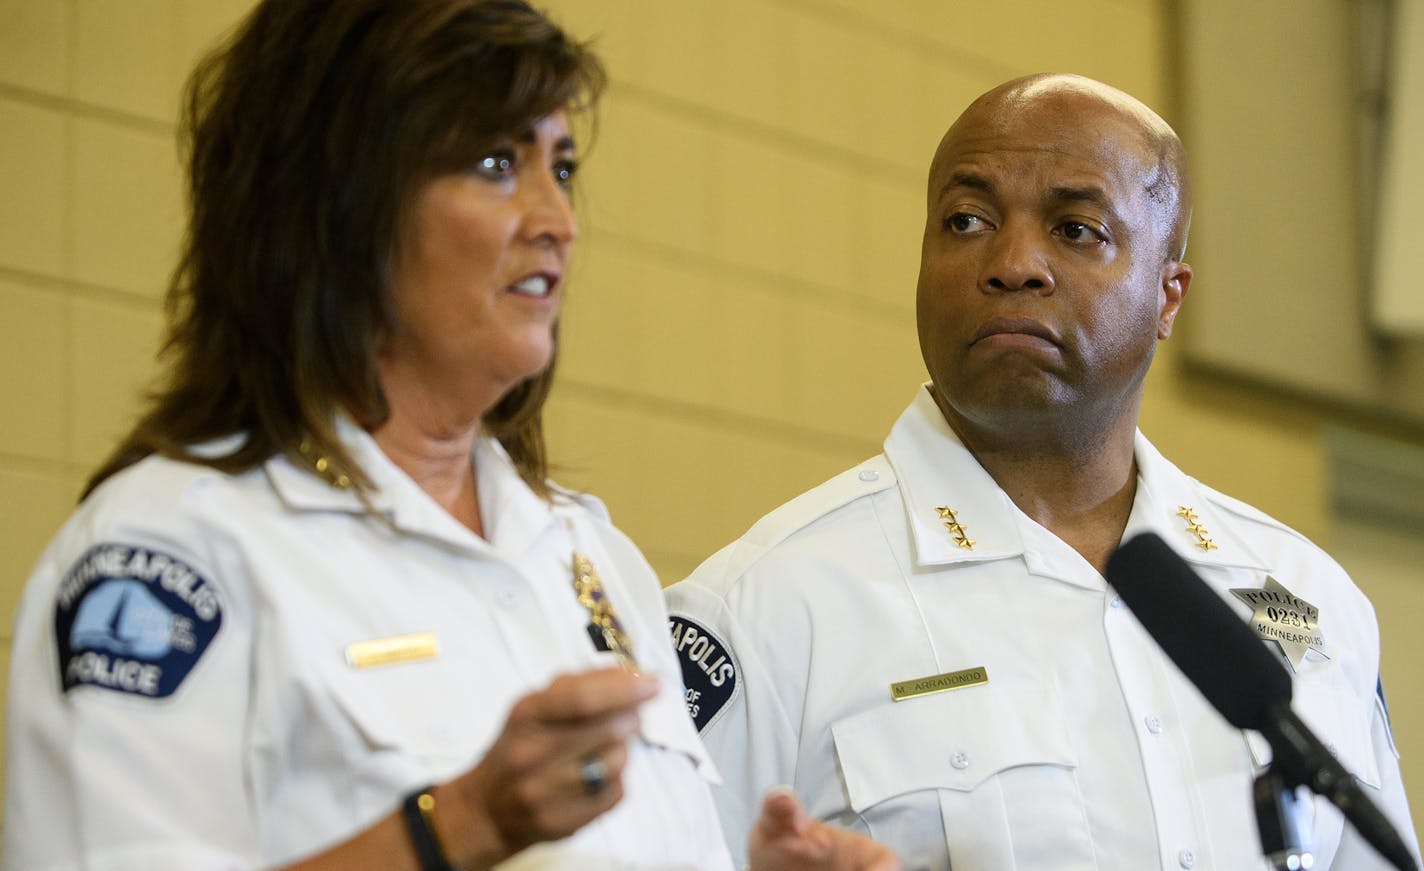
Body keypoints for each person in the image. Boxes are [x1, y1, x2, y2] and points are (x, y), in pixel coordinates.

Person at [0, 2, 901, 870]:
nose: (557, 219)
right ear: (334, 202)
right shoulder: (171, 555)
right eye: (494, 162)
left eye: (562, 165)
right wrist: (454, 825)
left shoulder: (587, 554)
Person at [665, 73, 1420, 870]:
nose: (1014, 262)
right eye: (966, 220)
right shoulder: (762, 609)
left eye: (1076, 228)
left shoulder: (1309, 597)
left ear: (1169, 297)